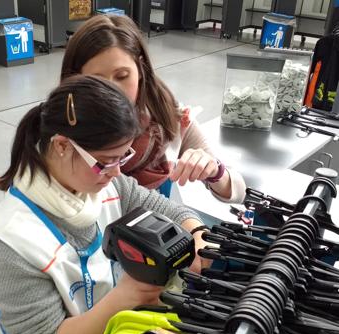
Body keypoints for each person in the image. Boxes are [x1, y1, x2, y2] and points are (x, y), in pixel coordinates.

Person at [0, 75, 210, 334]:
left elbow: (167, 209)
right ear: (62, 146)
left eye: (123, 157)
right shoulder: (11, 248)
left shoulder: (109, 184)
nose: (117, 172)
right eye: (105, 162)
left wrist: (197, 235)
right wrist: (126, 296)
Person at [61, 15, 246, 202]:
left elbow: (238, 192)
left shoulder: (168, 119)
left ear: (140, 69)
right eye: (97, 81)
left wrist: (214, 171)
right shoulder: (61, 131)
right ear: (76, 80)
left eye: (122, 76)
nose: (112, 91)